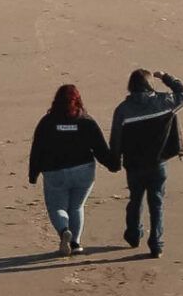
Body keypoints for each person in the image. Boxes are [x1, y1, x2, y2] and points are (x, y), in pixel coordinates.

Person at [27, 84, 117, 256]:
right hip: (83, 171)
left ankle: (63, 231)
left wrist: (33, 173)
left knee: (56, 208)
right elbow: (100, 148)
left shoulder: (47, 122)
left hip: (55, 171)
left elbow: (37, 149)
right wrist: (112, 164)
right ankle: (75, 243)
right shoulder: (86, 121)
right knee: (76, 207)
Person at [110, 68, 183, 259]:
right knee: (157, 203)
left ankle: (134, 235)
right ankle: (156, 244)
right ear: (149, 84)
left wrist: (115, 161)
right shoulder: (164, 101)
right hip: (157, 164)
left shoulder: (123, 110)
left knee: (135, 200)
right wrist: (166, 77)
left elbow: (116, 139)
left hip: (134, 165)